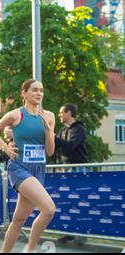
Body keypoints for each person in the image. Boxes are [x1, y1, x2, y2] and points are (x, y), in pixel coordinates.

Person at [0, 79, 56, 253]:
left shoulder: (49, 116)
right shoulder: (15, 115)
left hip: (38, 169)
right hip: (19, 167)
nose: (39, 93)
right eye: (34, 90)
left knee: (19, 220)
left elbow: (50, 152)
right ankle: (30, 250)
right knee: (49, 210)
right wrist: (5, 147)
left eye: (41, 90)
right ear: (24, 93)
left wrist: (48, 130)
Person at [55, 103, 89, 244]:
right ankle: (68, 232)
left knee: (79, 201)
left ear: (69, 113)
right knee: (66, 201)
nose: (59, 115)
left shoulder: (79, 129)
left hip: (78, 169)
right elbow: (54, 146)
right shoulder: (62, 130)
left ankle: (82, 235)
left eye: (61, 113)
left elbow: (70, 147)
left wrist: (54, 138)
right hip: (65, 169)